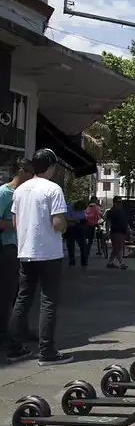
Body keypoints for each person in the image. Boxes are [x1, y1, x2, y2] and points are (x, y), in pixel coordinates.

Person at [7, 149, 72, 364]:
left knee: (22, 299)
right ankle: (47, 351)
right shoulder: (53, 189)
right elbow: (57, 223)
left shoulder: (20, 190)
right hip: (48, 253)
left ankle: (14, 346)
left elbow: (16, 223)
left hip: (25, 252)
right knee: (48, 301)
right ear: (52, 166)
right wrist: (64, 225)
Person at [0, 157, 35, 348]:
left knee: (22, 292)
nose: (32, 177)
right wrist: (17, 224)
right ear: (21, 171)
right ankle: (5, 332)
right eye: (30, 173)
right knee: (8, 293)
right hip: (8, 248)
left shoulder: (24, 194)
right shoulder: (5, 193)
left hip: (22, 248)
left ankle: (20, 329)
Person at [105, 195, 131, 269]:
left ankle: (110, 262)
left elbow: (125, 222)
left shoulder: (123, 211)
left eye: (121, 202)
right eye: (118, 202)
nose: (120, 203)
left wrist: (128, 230)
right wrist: (107, 232)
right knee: (118, 247)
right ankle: (121, 263)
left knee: (117, 248)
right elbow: (108, 222)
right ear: (114, 202)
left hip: (123, 231)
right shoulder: (111, 211)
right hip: (115, 231)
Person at [64, 199, 89, 267]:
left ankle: (84, 261)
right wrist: (75, 220)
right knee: (70, 245)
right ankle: (72, 261)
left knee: (83, 245)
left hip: (80, 227)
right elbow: (65, 218)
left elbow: (83, 217)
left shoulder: (82, 210)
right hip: (71, 228)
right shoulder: (69, 208)